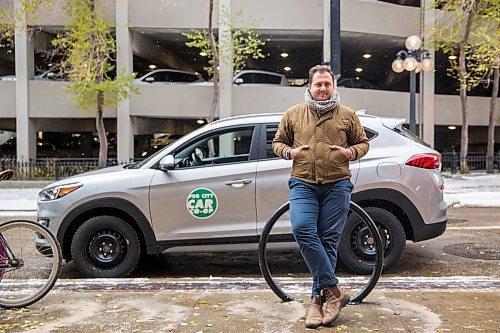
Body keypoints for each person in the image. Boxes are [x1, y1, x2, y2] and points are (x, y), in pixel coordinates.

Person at [272, 65, 369, 328]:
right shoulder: (293, 114)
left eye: (327, 84)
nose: (323, 88)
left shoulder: (347, 115)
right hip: (303, 183)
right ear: (309, 87)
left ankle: (317, 299)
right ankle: (336, 292)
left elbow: (363, 143)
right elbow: (277, 142)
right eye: (318, 84)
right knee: (302, 228)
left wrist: (351, 153)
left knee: (328, 240)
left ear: (333, 87)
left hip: (337, 185)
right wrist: (288, 153)